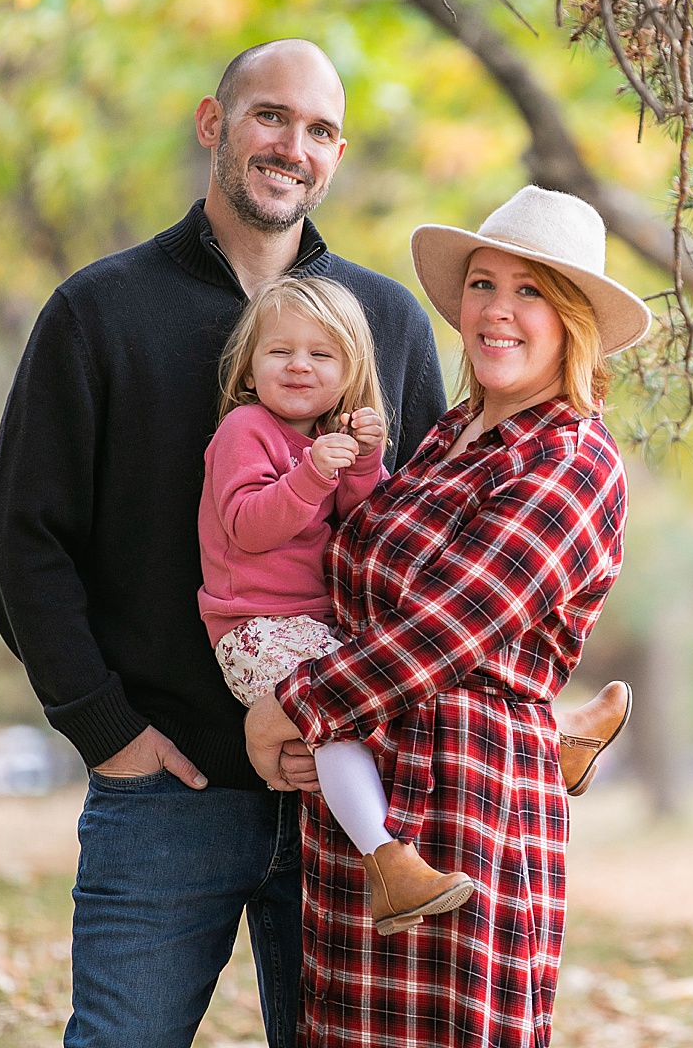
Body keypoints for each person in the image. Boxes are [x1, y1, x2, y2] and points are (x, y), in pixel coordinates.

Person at [0, 39, 449, 1048]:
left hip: (343, 797)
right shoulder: (99, 312)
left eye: (320, 129)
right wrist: (106, 728)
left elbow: (420, 552)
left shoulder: (391, 327)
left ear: (338, 153)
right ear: (212, 124)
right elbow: (26, 541)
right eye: (270, 116)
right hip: (168, 794)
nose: (294, 145)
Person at [242, 184, 646, 1048]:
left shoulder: (572, 456)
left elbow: (451, 624)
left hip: (471, 807)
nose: (498, 312)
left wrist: (290, 705)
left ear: (573, 319)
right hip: (368, 808)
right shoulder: (451, 431)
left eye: (530, 291)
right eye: (483, 285)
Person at [200, 274, 475, 935]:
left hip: (317, 629)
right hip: (254, 630)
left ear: (350, 372)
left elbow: (367, 523)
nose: (299, 365)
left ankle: (553, 736)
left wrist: (363, 459)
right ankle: (388, 862)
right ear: (250, 364)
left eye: (321, 355)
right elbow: (248, 525)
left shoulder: (327, 438)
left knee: (408, 672)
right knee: (343, 713)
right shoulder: (246, 428)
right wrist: (315, 471)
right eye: (281, 352)